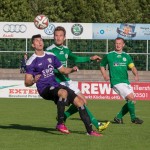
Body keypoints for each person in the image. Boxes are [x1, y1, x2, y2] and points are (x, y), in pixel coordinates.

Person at [25, 34, 102, 136]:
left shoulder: (51, 56)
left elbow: (63, 70)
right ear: (33, 45)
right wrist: (34, 80)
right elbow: (27, 82)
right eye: (37, 41)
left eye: (41, 40)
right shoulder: (31, 61)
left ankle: (90, 131)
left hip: (55, 84)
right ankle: (60, 124)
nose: (39, 42)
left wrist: (72, 69)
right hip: (44, 88)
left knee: (80, 101)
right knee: (63, 92)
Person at [46, 26, 110, 132]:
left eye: (60, 35)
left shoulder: (66, 50)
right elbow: (49, 68)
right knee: (81, 101)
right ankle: (97, 124)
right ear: (53, 37)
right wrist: (67, 70)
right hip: (57, 81)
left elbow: (76, 58)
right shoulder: (50, 50)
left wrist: (90, 58)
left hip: (66, 80)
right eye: (56, 35)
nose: (58, 38)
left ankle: (64, 116)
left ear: (64, 37)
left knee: (84, 101)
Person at [100, 37, 143, 124]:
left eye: (120, 43)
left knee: (132, 101)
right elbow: (102, 65)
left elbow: (132, 67)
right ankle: (133, 119)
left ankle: (118, 117)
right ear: (114, 44)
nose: (118, 45)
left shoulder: (126, 56)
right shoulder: (110, 55)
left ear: (123, 45)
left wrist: (136, 74)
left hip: (125, 82)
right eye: (116, 43)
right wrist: (105, 75)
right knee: (131, 98)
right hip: (116, 81)